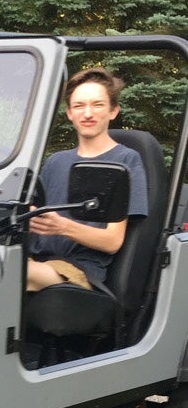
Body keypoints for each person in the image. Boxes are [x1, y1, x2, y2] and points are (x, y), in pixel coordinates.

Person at [27, 67, 148, 292]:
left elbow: (112, 242)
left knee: (10, 275)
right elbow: (34, 213)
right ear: (70, 113)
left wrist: (62, 226)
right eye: (79, 106)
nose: (88, 113)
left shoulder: (125, 161)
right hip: (35, 259)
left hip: (78, 270)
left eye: (97, 104)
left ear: (113, 111)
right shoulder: (55, 161)